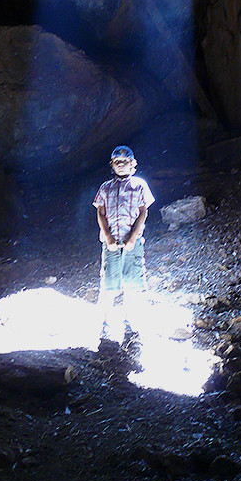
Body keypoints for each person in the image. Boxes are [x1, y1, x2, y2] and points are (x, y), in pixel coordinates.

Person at [93, 145, 155, 341]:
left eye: (125, 162)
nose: (121, 165)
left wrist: (133, 237)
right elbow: (100, 213)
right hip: (111, 242)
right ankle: (104, 324)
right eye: (117, 162)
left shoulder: (139, 185)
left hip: (132, 242)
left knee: (131, 283)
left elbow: (143, 212)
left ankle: (128, 322)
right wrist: (109, 237)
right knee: (109, 283)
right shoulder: (105, 188)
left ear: (133, 164)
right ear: (112, 165)